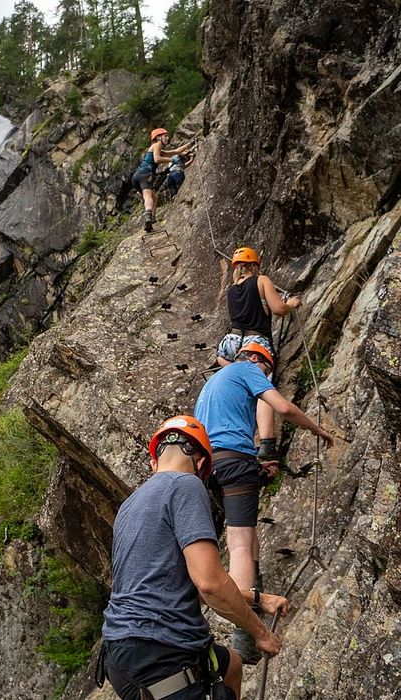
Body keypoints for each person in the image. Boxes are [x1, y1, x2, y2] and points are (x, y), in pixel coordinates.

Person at [100, 415, 289, 700]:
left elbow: (179, 585)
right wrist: (261, 632)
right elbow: (210, 584)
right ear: (201, 464)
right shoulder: (186, 486)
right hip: (160, 651)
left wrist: (260, 599)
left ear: (155, 462)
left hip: (120, 650)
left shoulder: (129, 506)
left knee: (231, 665)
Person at [194, 345, 334, 664]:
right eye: (267, 372)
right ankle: (245, 635)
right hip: (234, 462)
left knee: (246, 537)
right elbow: (282, 408)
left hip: (209, 467)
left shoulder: (213, 383)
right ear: (257, 361)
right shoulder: (246, 369)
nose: (265, 378)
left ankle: (251, 600)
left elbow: (218, 434)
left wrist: (256, 468)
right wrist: (317, 430)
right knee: (240, 545)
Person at [216, 247, 301, 462]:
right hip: (255, 343)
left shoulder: (231, 290)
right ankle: (267, 443)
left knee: (240, 386)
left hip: (229, 346)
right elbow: (278, 309)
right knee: (260, 387)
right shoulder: (261, 280)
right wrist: (290, 304)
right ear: (255, 265)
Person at [132, 127, 191, 232]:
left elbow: (175, 151)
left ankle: (151, 220)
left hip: (137, 176)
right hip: (146, 173)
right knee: (148, 196)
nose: (167, 138)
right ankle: (148, 216)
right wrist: (172, 160)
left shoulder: (157, 148)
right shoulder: (157, 145)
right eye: (165, 136)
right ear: (158, 137)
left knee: (153, 198)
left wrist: (189, 144)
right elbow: (157, 159)